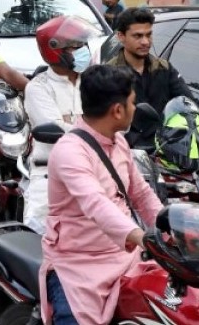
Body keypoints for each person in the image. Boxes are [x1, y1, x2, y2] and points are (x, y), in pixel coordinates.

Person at [40, 64, 164, 325]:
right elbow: (96, 203)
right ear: (117, 110)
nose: (135, 108)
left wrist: (169, 228)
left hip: (125, 257)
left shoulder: (119, 142)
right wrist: (140, 237)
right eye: (132, 102)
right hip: (78, 265)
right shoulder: (70, 151)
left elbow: (141, 194)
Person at [104, 8, 199, 151]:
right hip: (127, 152)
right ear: (121, 36)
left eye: (149, 35)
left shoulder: (164, 68)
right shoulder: (109, 75)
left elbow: (190, 102)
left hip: (165, 150)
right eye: (138, 36)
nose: (145, 42)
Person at [22, 16, 100, 233]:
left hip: (97, 167)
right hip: (50, 171)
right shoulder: (39, 88)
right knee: (39, 230)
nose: (83, 50)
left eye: (83, 45)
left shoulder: (94, 83)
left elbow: (115, 120)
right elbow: (57, 129)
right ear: (54, 50)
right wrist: (95, 129)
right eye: (76, 46)